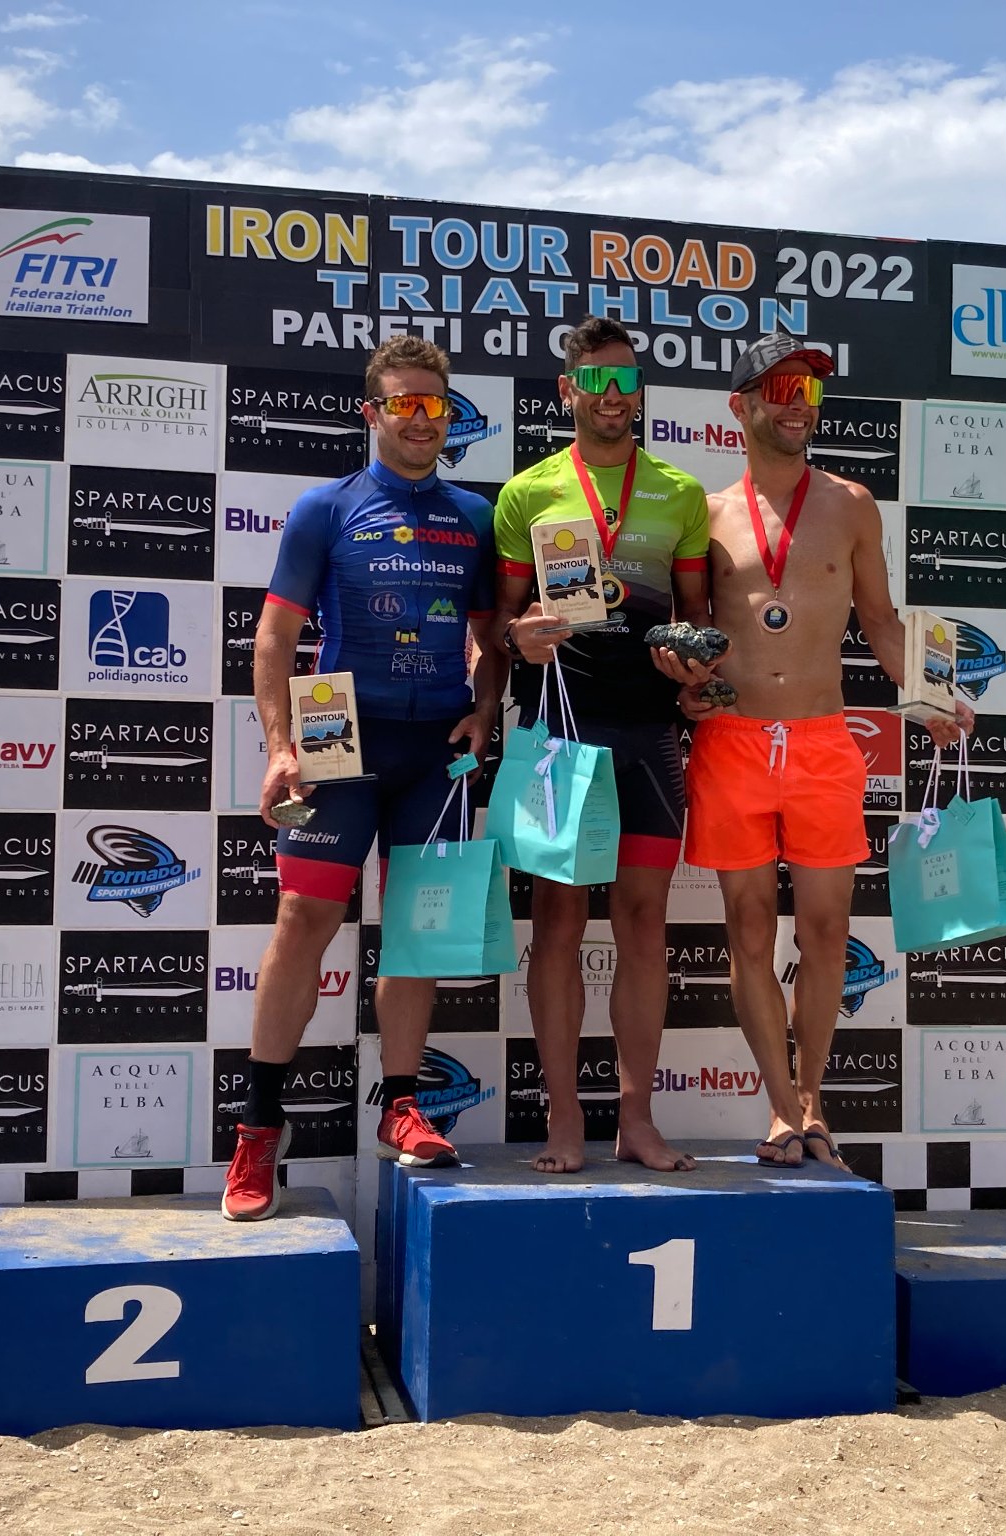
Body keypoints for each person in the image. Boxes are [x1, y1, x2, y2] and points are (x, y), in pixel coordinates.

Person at [674, 334, 972, 1168]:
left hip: (821, 740)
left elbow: (881, 621)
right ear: (739, 407)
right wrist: (685, 682)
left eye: (807, 390)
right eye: (778, 389)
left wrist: (931, 695)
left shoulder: (851, 504)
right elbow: (691, 632)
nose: (796, 404)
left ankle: (813, 1100)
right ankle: (779, 1109)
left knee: (829, 929)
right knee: (747, 927)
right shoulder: (705, 513)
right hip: (732, 742)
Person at [223, 336, 504, 1220]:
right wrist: (279, 747)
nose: (422, 420)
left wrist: (485, 709)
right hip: (336, 736)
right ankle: (258, 1129)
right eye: (405, 404)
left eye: (436, 405)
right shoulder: (327, 507)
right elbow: (275, 638)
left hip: (436, 748)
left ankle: (403, 1106)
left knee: (418, 934)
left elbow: (490, 639)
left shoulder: (475, 515)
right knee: (302, 920)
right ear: (372, 412)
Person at [491, 316, 712, 1174]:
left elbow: (697, 617)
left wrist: (693, 668)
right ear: (568, 391)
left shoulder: (680, 493)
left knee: (645, 922)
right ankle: (564, 1119)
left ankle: (637, 1119)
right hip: (561, 726)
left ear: (639, 393)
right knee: (557, 921)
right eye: (597, 382)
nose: (613, 397)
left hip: (649, 731)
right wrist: (518, 638)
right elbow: (499, 620)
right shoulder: (528, 492)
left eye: (626, 382)